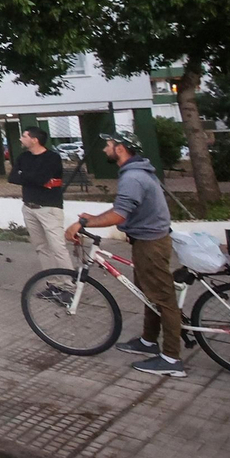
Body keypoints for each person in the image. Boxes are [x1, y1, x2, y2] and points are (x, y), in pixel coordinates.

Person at [65, 131, 184, 378]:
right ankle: (148, 341)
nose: (104, 148)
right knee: (149, 293)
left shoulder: (133, 177)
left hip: (151, 244)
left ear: (120, 149)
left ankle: (172, 359)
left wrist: (83, 225)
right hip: (147, 241)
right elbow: (123, 207)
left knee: (164, 299)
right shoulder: (137, 173)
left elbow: (120, 216)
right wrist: (93, 218)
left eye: (108, 144)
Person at [10, 127, 69, 273]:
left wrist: (24, 175)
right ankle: (53, 282)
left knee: (57, 247)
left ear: (34, 140)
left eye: (24, 136)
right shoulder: (23, 157)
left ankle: (68, 285)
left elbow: (41, 178)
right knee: (41, 248)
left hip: (49, 208)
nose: (20, 139)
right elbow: (12, 177)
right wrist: (32, 177)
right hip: (29, 207)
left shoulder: (52, 158)